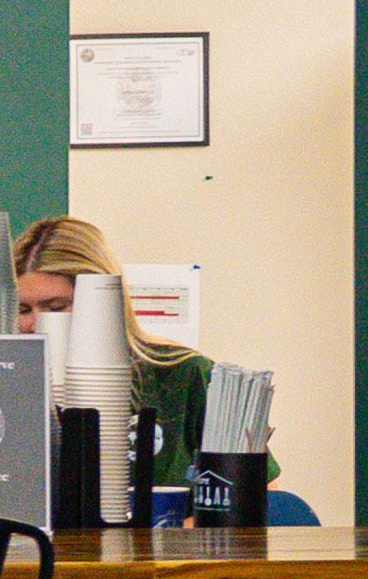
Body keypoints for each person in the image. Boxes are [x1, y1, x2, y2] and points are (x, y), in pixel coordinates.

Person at [12, 214, 220, 499]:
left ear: (101, 300)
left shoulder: (186, 375)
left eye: (56, 307)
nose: (37, 324)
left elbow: (254, 501)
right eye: (23, 310)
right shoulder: (8, 385)